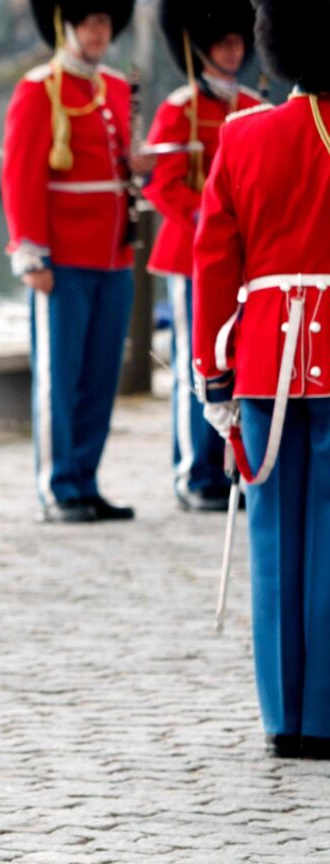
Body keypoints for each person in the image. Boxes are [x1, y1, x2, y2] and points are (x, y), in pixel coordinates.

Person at [193, 0, 330, 760]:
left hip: (265, 359)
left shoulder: (244, 134)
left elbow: (213, 262)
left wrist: (214, 378)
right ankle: (326, 713)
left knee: (276, 538)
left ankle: (285, 718)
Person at [2, 0, 152, 524]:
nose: (97, 30)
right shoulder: (39, 87)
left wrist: (139, 168)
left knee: (99, 374)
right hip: (61, 257)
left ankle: (85, 477)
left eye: (104, 21)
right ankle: (58, 484)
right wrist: (30, 252)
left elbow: (120, 174)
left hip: (112, 253)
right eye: (88, 20)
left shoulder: (113, 87)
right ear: (67, 25)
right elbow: (21, 178)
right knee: (59, 376)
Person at [146, 0, 262, 513]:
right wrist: (215, 224)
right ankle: (194, 473)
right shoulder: (179, 108)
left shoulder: (253, 107)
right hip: (193, 253)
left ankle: (228, 466)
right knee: (199, 366)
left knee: (235, 366)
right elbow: (162, 184)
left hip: (243, 259)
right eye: (224, 43)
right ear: (202, 47)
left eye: (239, 41)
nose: (234, 51)